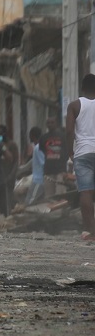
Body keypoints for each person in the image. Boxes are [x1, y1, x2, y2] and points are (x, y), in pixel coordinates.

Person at [65, 73, 95, 241]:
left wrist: (70, 151)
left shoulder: (74, 106)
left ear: (82, 88)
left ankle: (91, 231)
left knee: (86, 192)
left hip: (83, 152)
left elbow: (69, 131)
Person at [24, 126, 45, 207]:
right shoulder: (41, 146)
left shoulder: (38, 147)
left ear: (32, 136)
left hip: (38, 180)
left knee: (30, 202)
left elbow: (43, 163)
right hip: (39, 179)